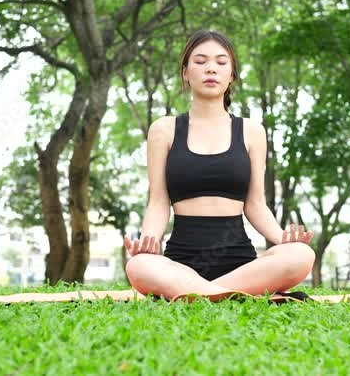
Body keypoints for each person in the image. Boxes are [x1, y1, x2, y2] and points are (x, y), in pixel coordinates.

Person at [123, 29, 316, 301]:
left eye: (221, 62)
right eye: (200, 61)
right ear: (185, 73)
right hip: (180, 264)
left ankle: (197, 294)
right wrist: (149, 242)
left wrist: (284, 239)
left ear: (232, 75)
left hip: (241, 264)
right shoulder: (164, 130)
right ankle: (229, 295)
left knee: (301, 255)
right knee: (139, 266)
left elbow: (255, 204)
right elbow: (158, 201)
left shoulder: (251, 131)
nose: (211, 68)